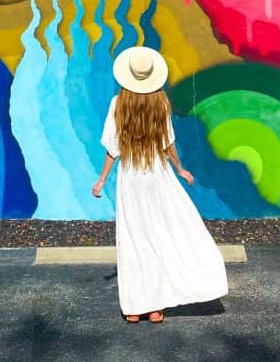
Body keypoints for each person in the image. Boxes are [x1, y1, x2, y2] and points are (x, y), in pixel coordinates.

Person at [92, 46, 228, 323]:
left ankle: (134, 308)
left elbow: (113, 149)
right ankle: (156, 308)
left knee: (133, 239)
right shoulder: (160, 103)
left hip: (131, 179)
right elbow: (168, 144)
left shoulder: (118, 104)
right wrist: (180, 169)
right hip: (157, 177)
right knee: (159, 235)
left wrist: (102, 179)